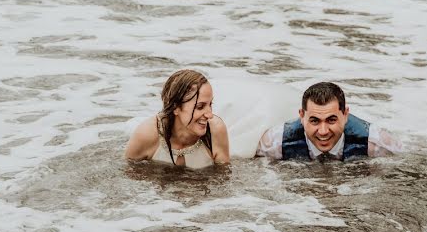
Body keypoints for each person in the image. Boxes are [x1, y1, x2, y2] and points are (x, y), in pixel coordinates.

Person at [255, 82, 401, 161]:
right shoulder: (274, 143)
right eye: (314, 121)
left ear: (345, 115)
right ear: (301, 116)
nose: (323, 131)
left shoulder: (377, 143)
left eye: (331, 120)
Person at [125, 69, 230, 168]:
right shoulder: (147, 134)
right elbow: (128, 177)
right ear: (175, 107)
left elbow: (222, 181)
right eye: (200, 107)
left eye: (210, 104)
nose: (210, 115)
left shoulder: (215, 130)